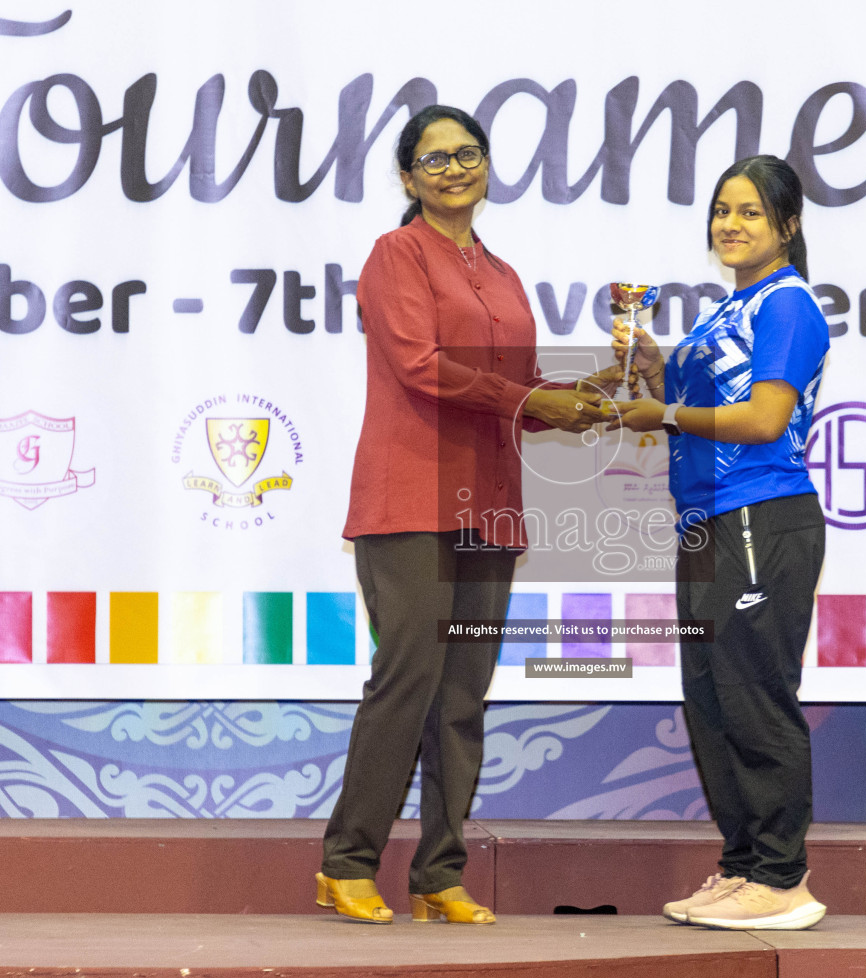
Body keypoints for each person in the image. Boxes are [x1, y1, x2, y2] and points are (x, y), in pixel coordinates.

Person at [317, 105, 606, 924]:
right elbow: (422, 368)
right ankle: (346, 862)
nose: (453, 168)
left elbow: (518, 390)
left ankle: (441, 875)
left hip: (492, 505)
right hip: (409, 498)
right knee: (407, 680)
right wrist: (533, 397)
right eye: (433, 159)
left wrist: (580, 402)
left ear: (488, 167)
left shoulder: (505, 274)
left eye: (467, 153)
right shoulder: (394, 256)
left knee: (464, 696)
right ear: (407, 178)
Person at [609, 154, 829, 930]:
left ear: (788, 226)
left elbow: (764, 420)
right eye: (722, 212)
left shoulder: (789, 305)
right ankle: (742, 867)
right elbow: (704, 407)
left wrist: (665, 415)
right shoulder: (726, 311)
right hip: (706, 519)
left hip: (760, 516)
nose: (731, 226)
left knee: (753, 694)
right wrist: (659, 374)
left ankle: (781, 876)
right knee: (710, 700)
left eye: (751, 214)